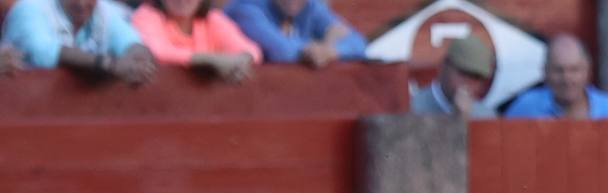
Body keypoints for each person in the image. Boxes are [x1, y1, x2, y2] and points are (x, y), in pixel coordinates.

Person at [1, 0, 155, 83]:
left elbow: (133, 43)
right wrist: (111, 65)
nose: (81, 3)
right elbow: (43, 53)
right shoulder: (29, 7)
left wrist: (138, 63)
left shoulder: (104, 10)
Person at [504, 33, 608, 119]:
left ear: (588, 71)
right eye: (559, 70)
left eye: (574, 70)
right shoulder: (526, 106)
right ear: (545, 72)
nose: (567, 79)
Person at [131, 0, 260, 83]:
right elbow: (155, 51)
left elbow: (252, 50)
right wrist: (210, 60)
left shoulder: (211, 18)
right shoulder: (146, 15)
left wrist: (240, 61)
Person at [223, 0, 366, 66]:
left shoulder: (310, 6)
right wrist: (324, 45)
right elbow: (281, 52)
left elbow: (358, 43)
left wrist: (333, 51)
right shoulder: (245, 8)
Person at [411, 33, 497, 119]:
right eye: (463, 73)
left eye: (476, 77)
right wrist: (458, 118)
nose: (468, 83)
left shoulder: (486, 116)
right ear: (444, 66)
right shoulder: (412, 108)